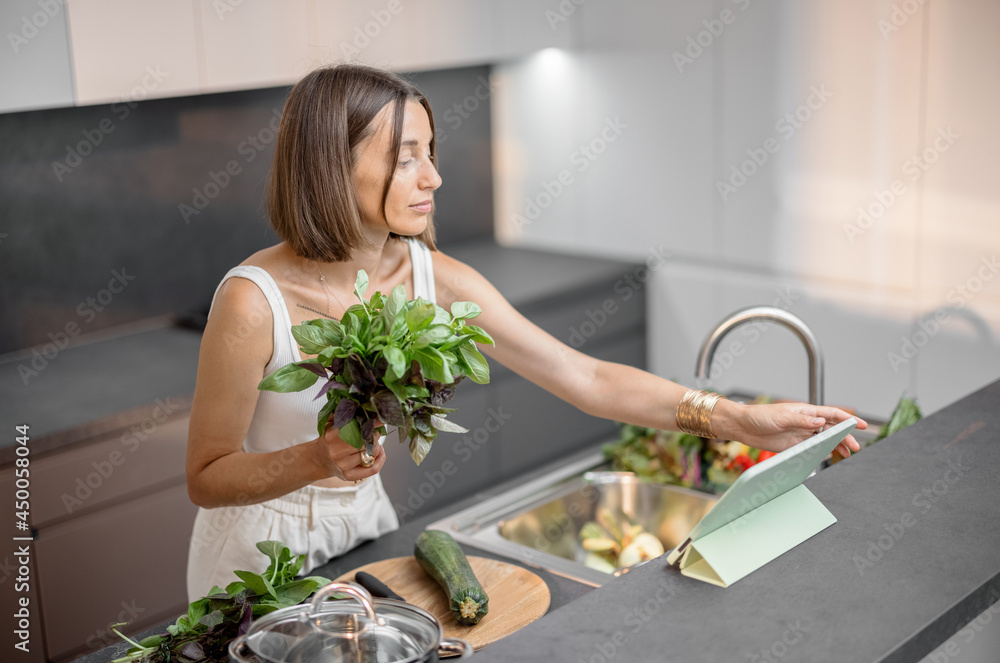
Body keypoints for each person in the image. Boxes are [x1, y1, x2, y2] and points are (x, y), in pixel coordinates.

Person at [184, 63, 865, 601]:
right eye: (408, 156)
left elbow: (584, 376)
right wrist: (314, 459)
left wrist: (740, 419)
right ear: (333, 165)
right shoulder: (253, 302)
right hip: (252, 569)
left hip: (366, 536)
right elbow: (205, 476)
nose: (435, 176)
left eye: (431, 152)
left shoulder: (432, 277)